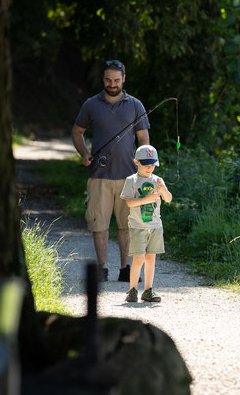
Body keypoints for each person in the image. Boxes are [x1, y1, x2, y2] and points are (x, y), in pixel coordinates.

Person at [71, 60, 150, 282]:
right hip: (99, 177)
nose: (112, 84)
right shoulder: (90, 104)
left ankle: (125, 269)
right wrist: (83, 154)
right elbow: (77, 132)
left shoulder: (135, 105)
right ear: (102, 79)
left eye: (116, 80)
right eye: (108, 80)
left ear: (124, 78)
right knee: (99, 226)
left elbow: (144, 139)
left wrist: (144, 168)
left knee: (126, 227)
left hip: (129, 178)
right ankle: (102, 268)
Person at [120, 145, 172, 302]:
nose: (150, 168)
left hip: (155, 227)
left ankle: (148, 290)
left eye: (152, 165)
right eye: (146, 165)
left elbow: (169, 199)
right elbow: (129, 203)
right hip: (137, 227)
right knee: (139, 258)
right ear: (136, 161)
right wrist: (147, 199)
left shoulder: (158, 180)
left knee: (151, 259)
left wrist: (163, 190)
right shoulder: (131, 180)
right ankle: (132, 290)